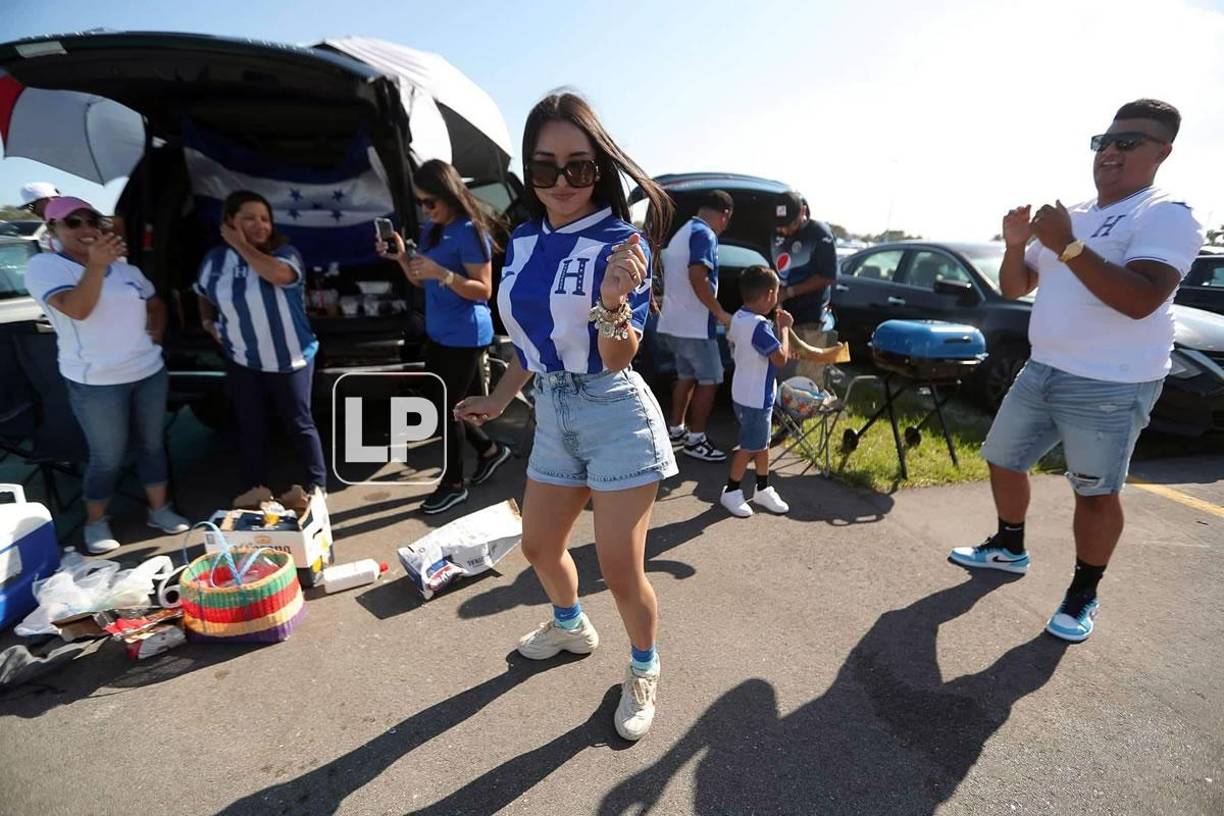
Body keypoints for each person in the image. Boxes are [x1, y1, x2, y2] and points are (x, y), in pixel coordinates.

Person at [454, 92, 677, 741]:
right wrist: (500, 398)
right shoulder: (522, 240)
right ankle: (571, 626)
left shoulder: (620, 240)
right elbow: (533, 345)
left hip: (613, 412)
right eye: (544, 168)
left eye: (578, 168)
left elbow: (616, 358)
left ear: (599, 168)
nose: (560, 183)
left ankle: (643, 666)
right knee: (539, 546)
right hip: (550, 409)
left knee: (620, 567)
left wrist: (612, 298)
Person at [949, 99, 1205, 643]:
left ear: (1163, 151)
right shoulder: (1081, 212)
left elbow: (1140, 300)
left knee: (1093, 493)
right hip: (1043, 368)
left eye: (1128, 142)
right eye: (1103, 142)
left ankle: (1083, 592)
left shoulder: (1166, 214)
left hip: (1110, 384)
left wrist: (1066, 243)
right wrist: (1018, 245)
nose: (1110, 151)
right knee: (1003, 458)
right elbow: (1016, 287)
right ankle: (1009, 546)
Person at [24, 197, 189, 553]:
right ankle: (95, 522)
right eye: (73, 222)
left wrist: (155, 333)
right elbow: (77, 309)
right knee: (107, 457)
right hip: (96, 382)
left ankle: (159, 510)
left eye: (92, 221)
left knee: (152, 445)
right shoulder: (45, 266)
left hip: (148, 373)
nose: (86, 228)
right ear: (53, 229)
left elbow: (155, 303)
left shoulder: (127, 270)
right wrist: (96, 266)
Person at [377, 159, 511, 514]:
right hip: (440, 332)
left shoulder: (470, 231)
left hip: (466, 335)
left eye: (430, 202)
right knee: (447, 404)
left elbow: (483, 290)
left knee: (448, 409)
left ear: (449, 195)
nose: (426, 209)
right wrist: (402, 257)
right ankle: (489, 450)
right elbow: (420, 279)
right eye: (421, 202)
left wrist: (444, 273)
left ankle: (453, 483)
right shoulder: (431, 230)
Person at [195, 190, 327, 505]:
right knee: (251, 426)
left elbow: (278, 276)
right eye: (249, 218)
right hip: (243, 357)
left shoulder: (285, 253)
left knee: (300, 423)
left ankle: (318, 487)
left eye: (264, 219)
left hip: (290, 357)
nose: (259, 225)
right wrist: (207, 322)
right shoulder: (215, 260)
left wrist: (238, 243)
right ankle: (254, 491)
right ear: (229, 221)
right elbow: (202, 290)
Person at [656, 189, 733, 462]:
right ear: (725, 215)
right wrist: (720, 312)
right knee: (711, 379)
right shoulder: (705, 234)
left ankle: (675, 429)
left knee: (686, 376)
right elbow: (697, 275)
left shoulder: (682, 232)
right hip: (696, 326)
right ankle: (696, 439)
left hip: (674, 323)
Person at [720, 265, 792, 518]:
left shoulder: (739, 316)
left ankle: (762, 486)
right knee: (749, 446)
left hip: (744, 391)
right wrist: (784, 328)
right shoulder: (760, 326)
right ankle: (731, 490)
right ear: (769, 295)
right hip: (755, 398)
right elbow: (780, 359)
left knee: (762, 443)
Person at [771, 190, 839, 383]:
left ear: (802, 212)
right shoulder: (776, 232)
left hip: (809, 317)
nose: (784, 231)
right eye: (780, 227)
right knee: (782, 372)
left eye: (789, 225)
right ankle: (778, 411)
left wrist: (789, 292)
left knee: (805, 377)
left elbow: (827, 276)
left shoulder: (819, 234)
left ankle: (806, 412)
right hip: (780, 315)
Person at [19, 181, 60, 252]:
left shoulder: (76, 223)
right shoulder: (52, 227)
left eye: (31, 206)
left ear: (48, 200)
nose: (31, 211)